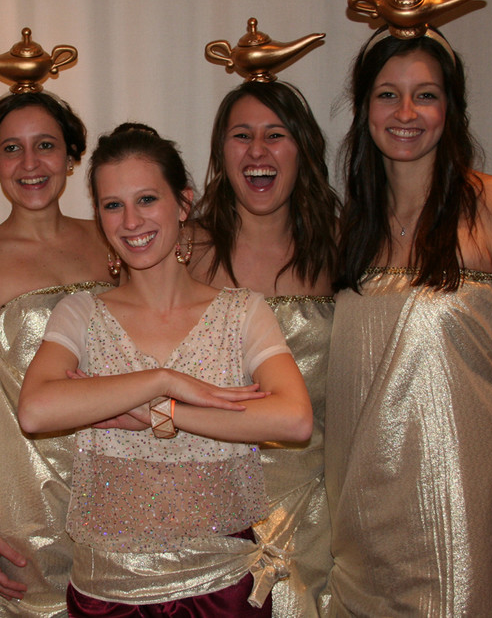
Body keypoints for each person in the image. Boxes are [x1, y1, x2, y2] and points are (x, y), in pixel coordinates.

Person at [19, 123, 312, 616]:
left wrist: (162, 413)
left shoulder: (242, 312)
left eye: (147, 200)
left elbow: (294, 419)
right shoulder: (81, 312)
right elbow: (35, 410)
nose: (131, 221)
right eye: (113, 205)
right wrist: (163, 380)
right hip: (110, 594)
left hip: (221, 588)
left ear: (183, 204)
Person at [324, 20, 492, 616]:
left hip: (452, 534)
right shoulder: (349, 229)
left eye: (425, 94)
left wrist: (479, 493)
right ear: (364, 108)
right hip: (353, 535)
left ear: (450, 108)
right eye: (388, 94)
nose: (406, 112)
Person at [0, 91, 112, 616]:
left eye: (46, 146)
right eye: (12, 149)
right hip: (24, 503)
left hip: (125, 485)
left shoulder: (114, 239)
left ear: (72, 156)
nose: (30, 163)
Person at [192, 79, 338, 617]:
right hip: (207, 509)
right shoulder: (185, 249)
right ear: (220, 152)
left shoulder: (342, 247)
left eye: (275, 135)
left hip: (320, 510)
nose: (257, 151)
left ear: (303, 149)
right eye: (242, 135)